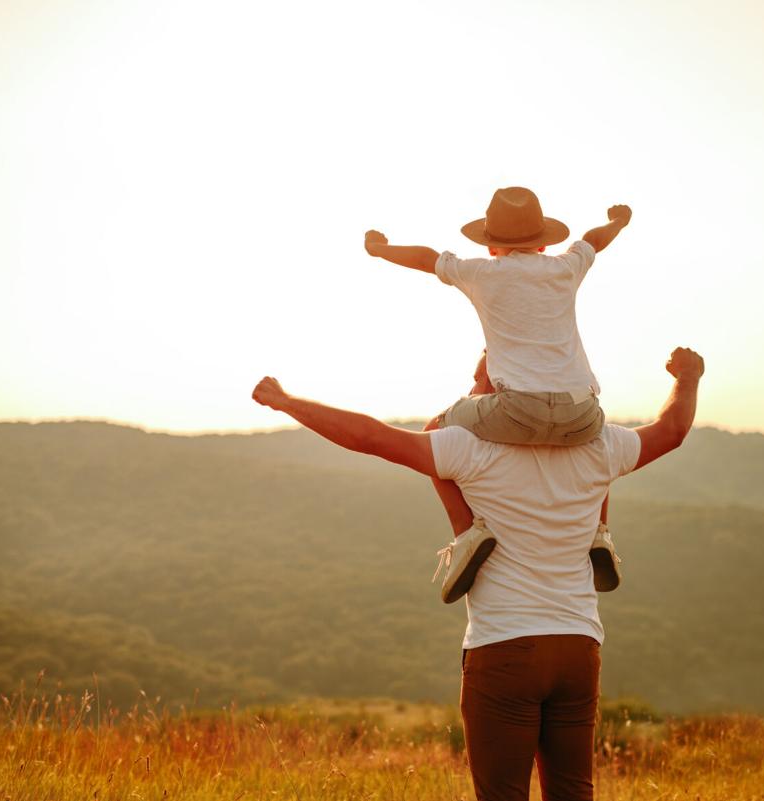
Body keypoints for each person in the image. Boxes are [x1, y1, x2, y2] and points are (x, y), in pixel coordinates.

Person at [251, 346, 704, 801]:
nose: (472, 391)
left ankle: (468, 533)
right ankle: (599, 533)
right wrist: (688, 377)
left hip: (504, 650)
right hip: (578, 648)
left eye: (480, 382)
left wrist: (288, 402)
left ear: (504, 389)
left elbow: (369, 437)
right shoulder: (601, 445)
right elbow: (673, 429)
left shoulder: (469, 449)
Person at [364, 187, 633, 602]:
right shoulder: (566, 265)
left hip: (517, 409)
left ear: (491, 246)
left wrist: (380, 249)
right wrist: (618, 220)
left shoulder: (480, 273)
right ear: (543, 241)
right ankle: (600, 533)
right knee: (600, 443)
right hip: (582, 413)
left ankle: (468, 535)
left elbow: (424, 256)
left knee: (435, 429)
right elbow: (595, 239)